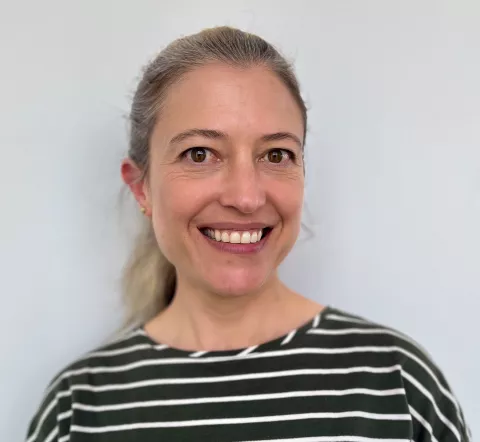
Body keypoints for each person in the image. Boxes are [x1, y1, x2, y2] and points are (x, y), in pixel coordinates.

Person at [26, 26, 471, 442]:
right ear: (142, 188)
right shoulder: (77, 409)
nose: (246, 196)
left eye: (276, 154)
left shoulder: (397, 382)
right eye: (200, 153)